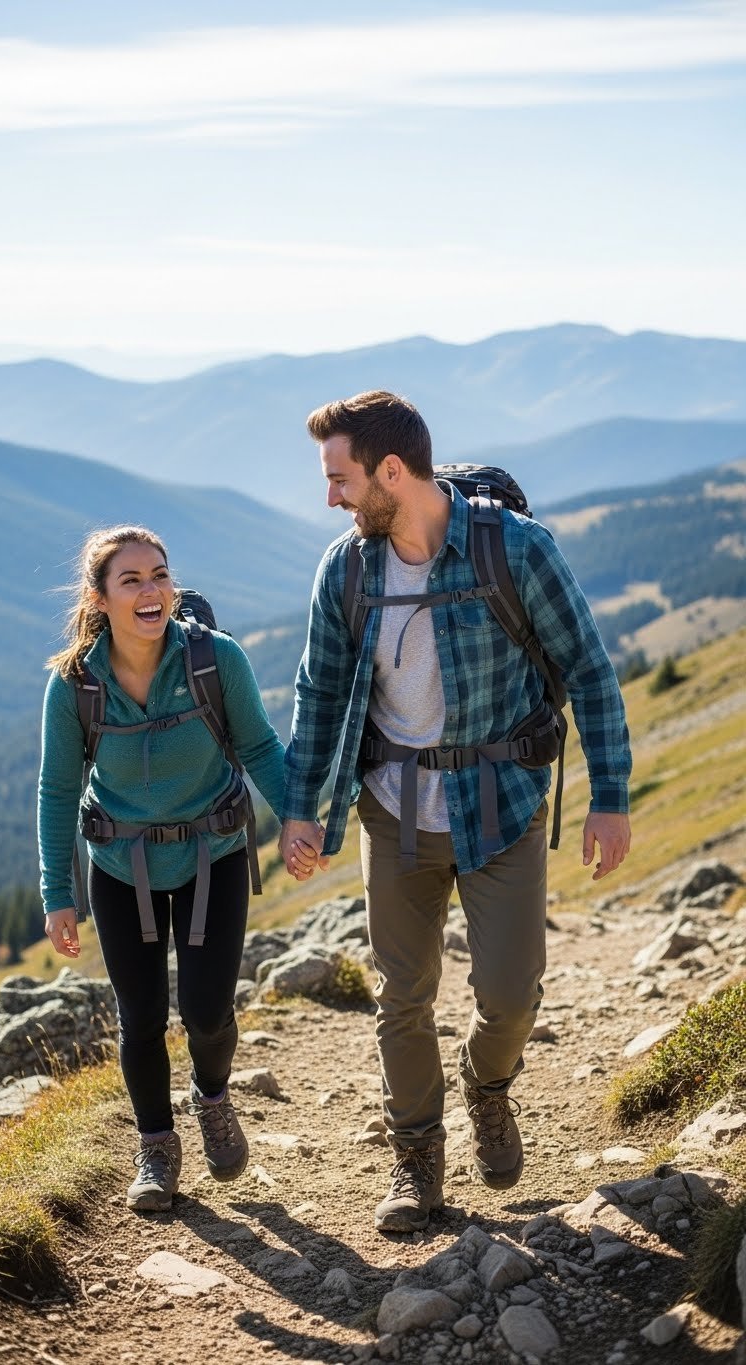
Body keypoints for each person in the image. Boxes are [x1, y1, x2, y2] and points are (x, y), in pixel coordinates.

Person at [279, 391, 632, 1233]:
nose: (330, 496)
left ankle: (488, 1082)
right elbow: (319, 695)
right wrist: (302, 810)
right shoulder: (348, 569)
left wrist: (609, 797)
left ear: (391, 472)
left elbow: (590, 669)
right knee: (403, 995)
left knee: (511, 995)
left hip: (499, 799)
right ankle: (416, 1160)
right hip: (392, 810)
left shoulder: (515, 549)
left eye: (340, 478)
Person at [39, 525, 320, 1212]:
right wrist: (59, 891)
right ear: (100, 598)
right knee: (139, 1017)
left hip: (213, 856)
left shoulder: (213, 659)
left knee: (206, 1010)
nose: (150, 590)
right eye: (130, 579)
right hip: (119, 866)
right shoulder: (76, 684)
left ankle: (212, 1094)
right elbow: (55, 789)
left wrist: (297, 820)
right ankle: (156, 1146)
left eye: (159, 575)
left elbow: (257, 745)